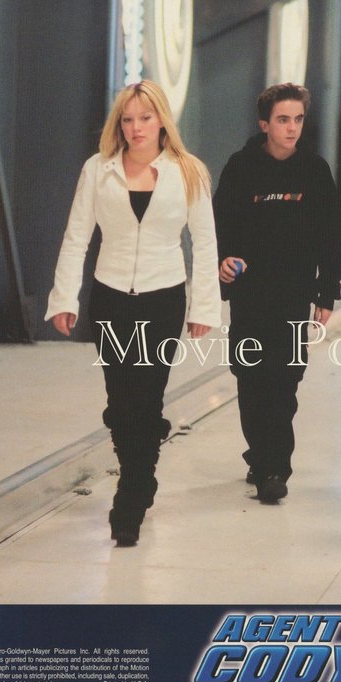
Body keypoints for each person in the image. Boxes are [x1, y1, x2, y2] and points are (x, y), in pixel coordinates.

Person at [46, 80, 220, 547]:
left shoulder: (189, 171)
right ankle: (140, 468)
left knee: (146, 396)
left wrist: (204, 306)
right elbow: (76, 237)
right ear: (118, 124)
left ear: (162, 120)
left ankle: (132, 491)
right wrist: (64, 298)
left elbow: (205, 243)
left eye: (145, 117)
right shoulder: (97, 170)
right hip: (110, 298)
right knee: (121, 402)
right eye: (127, 119)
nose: (136, 127)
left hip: (163, 298)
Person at [212, 83, 341, 504]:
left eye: (298, 120)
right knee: (251, 376)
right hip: (250, 293)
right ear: (264, 124)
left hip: (294, 293)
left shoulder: (314, 171)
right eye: (283, 120)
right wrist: (222, 264)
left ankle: (275, 468)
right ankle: (260, 454)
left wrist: (327, 292)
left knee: (285, 379)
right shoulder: (240, 167)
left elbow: (331, 235)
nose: (292, 128)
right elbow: (219, 224)